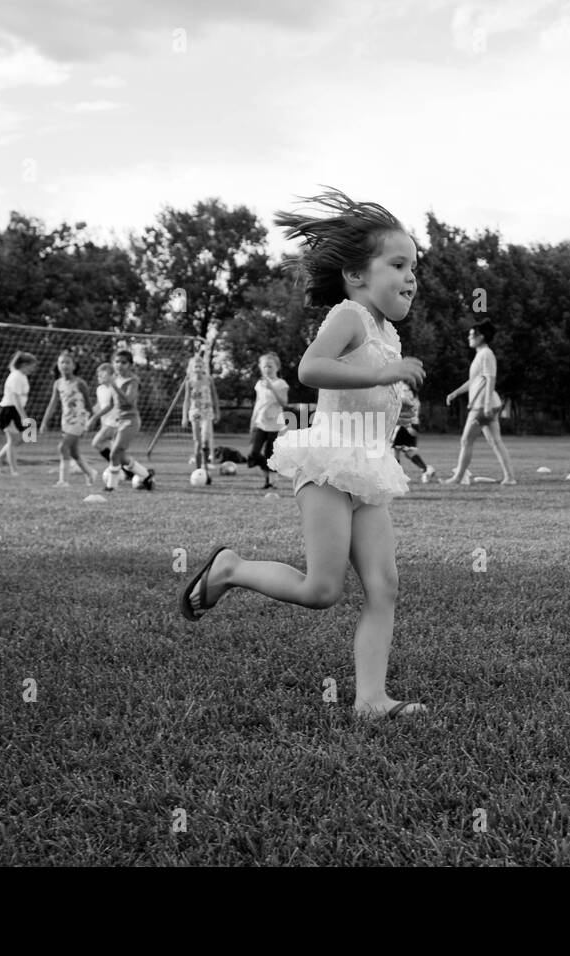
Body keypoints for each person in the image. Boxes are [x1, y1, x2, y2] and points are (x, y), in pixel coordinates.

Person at [179, 188, 427, 719]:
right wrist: (384, 374)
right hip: (328, 466)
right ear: (358, 275)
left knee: (384, 588)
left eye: (415, 267)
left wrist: (391, 402)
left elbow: (366, 388)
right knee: (321, 590)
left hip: (369, 471)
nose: (411, 277)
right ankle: (230, 568)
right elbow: (310, 370)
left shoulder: (388, 334)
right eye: (399, 264)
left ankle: (371, 700)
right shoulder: (350, 315)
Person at [443, 321, 516, 485]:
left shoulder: (486, 354)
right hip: (487, 404)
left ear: (481, 336)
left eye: (471, 334)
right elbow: (474, 381)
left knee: (466, 440)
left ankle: (458, 477)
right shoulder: (481, 354)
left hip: (483, 406)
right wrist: (455, 393)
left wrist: (488, 404)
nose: (469, 337)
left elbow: (491, 379)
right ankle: (509, 477)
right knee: (495, 441)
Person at [86, 350, 155, 490]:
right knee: (121, 456)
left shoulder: (132, 381)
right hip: (118, 421)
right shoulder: (115, 380)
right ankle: (146, 475)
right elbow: (111, 404)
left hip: (130, 421)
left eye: (123, 362)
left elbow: (128, 400)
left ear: (130, 365)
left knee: (114, 452)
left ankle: (111, 487)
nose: (119, 365)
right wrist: (94, 417)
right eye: (117, 362)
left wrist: (114, 385)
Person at [39, 351, 97, 487]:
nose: (64, 365)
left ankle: (63, 481)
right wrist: (44, 422)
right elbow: (53, 404)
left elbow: (88, 404)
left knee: (62, 447)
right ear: (58, 365)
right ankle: (90, 473)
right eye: (62, 362)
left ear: (74, 366)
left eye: (67, 362)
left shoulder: (80, 383)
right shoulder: (58, 384)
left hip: (79, 420)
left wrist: (91, 420)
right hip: (66, 421)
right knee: (74, 453)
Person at [247, 352, 289, 490]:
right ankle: (272, 474)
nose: (267, 369)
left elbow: (284, 403)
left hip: (275, 425)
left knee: (269, 454)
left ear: (277, 367)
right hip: (261, 423)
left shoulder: (281, 384)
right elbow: (258, 403)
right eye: (264, 367)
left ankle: (270, 482)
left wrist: (272, 389)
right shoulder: (259, 384)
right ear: (260, 368)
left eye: (270, 366)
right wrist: (252, 420)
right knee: (253, 453)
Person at [0, 351, 37, 475]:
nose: (33, 369)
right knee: (13, 440)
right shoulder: (16, 376)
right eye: (32, 366)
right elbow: (15, 398)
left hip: (15, 410)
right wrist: (23, 416)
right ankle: (14, 470)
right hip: (9, 410)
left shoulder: (22, 376)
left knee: (25, 438)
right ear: (24, 364)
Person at [182, 354, 220, 484]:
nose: (198, 368)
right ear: (191, 368)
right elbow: (187, 399)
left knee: (205, 441)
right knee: (197, 442)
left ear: (204, 367)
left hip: (207, 412)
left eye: (200, 365)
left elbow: (214, 396)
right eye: (195, 366)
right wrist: (184, 416)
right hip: (195, 413)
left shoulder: (209, 380)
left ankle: (206, 470)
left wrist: (217, 411)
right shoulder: (189, 382)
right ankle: (198, 471)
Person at [392, 382, 436, 482]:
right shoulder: (412, 390)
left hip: (405, 422)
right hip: (411, 422)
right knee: (408, 451)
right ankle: (426, 469)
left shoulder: (404, 388)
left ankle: (397, 477)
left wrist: (405, 425)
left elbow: (403, 405)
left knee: (395, 450)